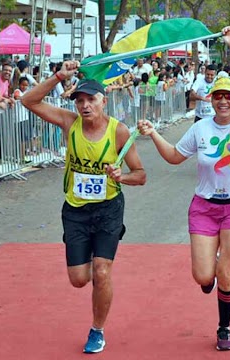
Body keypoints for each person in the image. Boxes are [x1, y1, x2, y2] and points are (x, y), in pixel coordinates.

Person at [137, 25, 230, 352]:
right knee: (202, 276)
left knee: (226, 272)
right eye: (218, 95)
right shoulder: (200, 129)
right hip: (205, 208)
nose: (223, 101)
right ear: (211, 99)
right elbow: (173, 158)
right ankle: (212, 274)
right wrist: (153, 133)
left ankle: (224, 327)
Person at [21, 62, 146, 354]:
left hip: (108, 209)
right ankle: (88, 255)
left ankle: (97, 330)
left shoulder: (119, 132)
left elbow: (140, 175)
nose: (85, 105)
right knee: (79, 280)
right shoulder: (69, 122)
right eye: (80, 100)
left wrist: (121, 176)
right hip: (76, 211)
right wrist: (60, 76)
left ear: (104, 100)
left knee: (102, 272)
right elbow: (28, 101)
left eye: (91, 99)